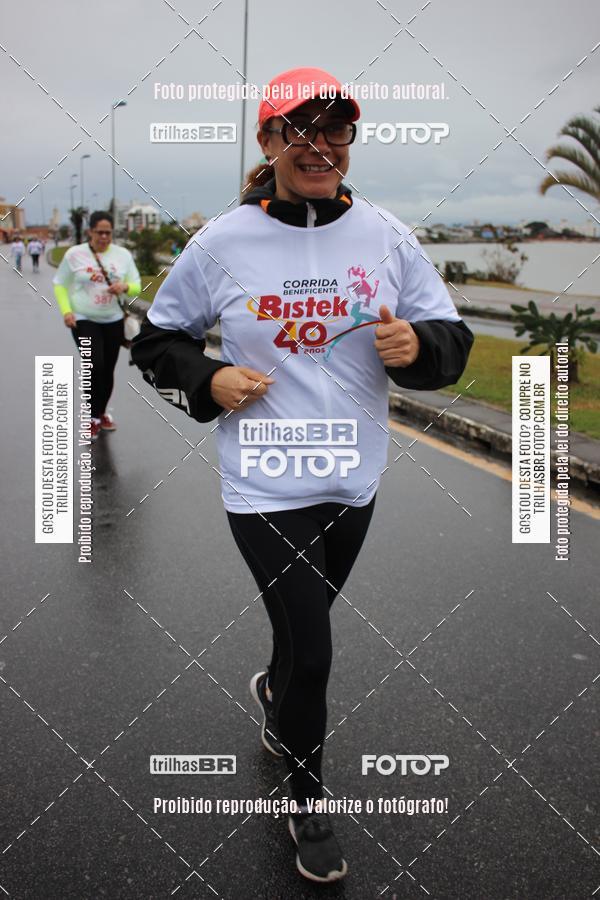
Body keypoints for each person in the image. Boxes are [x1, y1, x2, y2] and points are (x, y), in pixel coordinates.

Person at [131, 66, 474, 883]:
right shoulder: (223, 242)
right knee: (315, 651)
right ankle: (308, 797)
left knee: (299, 631)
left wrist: (418, 349)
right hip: (263, 480)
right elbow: (156, 342)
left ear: (350, 142)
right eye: (301, 130)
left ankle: (276, 697)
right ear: (269, 140)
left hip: (352, 477)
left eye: (337, 131)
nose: (320, 147)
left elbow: (451, 338)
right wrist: (208, 379)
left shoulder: (388, 236)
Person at [53, 211, 141, 440]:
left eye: (108, 233)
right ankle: (91, 417)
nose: (104, 237)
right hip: (83, 318)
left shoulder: (122, 255)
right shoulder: (75, 255)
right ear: (90, 232)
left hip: (112, 320)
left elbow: (137, 285)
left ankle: (101, 413)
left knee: (108, 369)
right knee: (94, 364)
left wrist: (124, 287)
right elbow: (60, 283)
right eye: (99, 232)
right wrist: (67, 311)